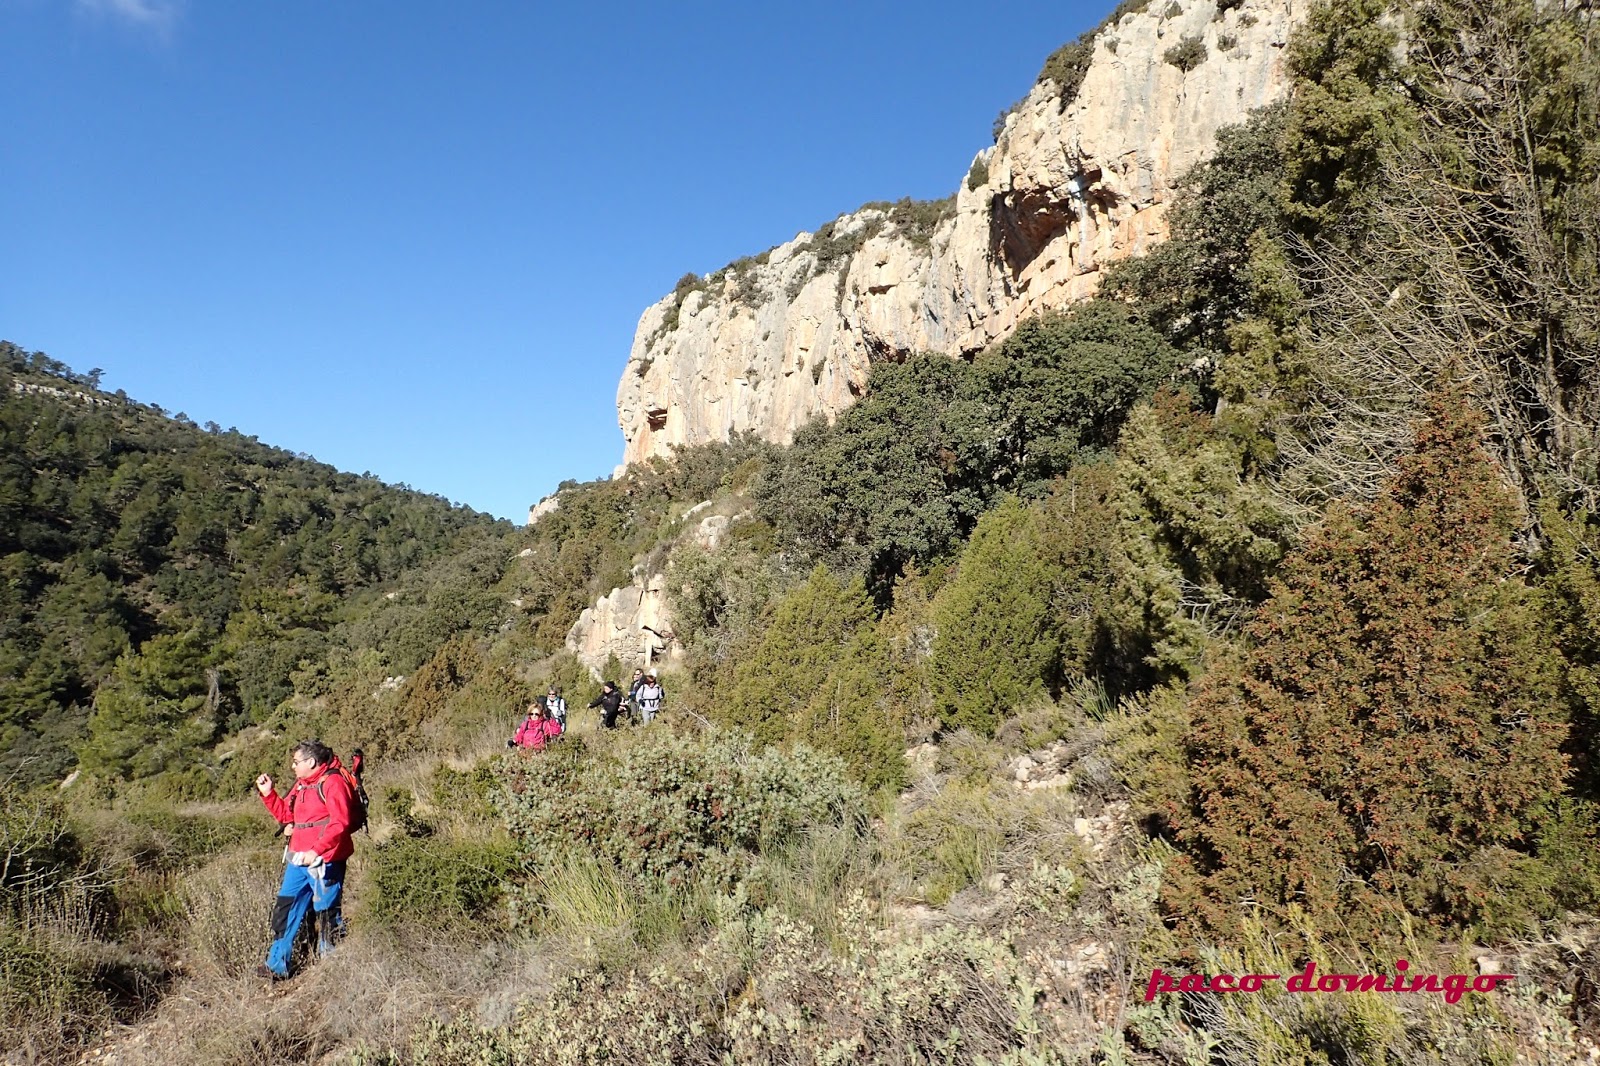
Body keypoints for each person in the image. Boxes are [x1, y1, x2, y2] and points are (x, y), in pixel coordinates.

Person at [254, 740, 354, 981]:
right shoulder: (302, 785)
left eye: (297, 762)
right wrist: (269, 794)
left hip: (325, 859)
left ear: (311, 762)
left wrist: (317, 850)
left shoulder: (333, 783)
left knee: (326, 913)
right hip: (298, 858)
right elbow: (288, 816)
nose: (293, 766)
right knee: (285, 909)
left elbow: (341, 822)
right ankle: (276, 965)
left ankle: (332, 968)